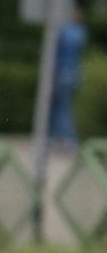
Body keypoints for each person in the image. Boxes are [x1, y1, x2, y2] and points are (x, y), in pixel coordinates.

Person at [49, 9, 87, 150]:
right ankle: (55, 139)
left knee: (62, 108)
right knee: (62, 106)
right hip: (75, 74)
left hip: (62, 73)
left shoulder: (64, 31)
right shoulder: (81, 32)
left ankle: (69, 141)